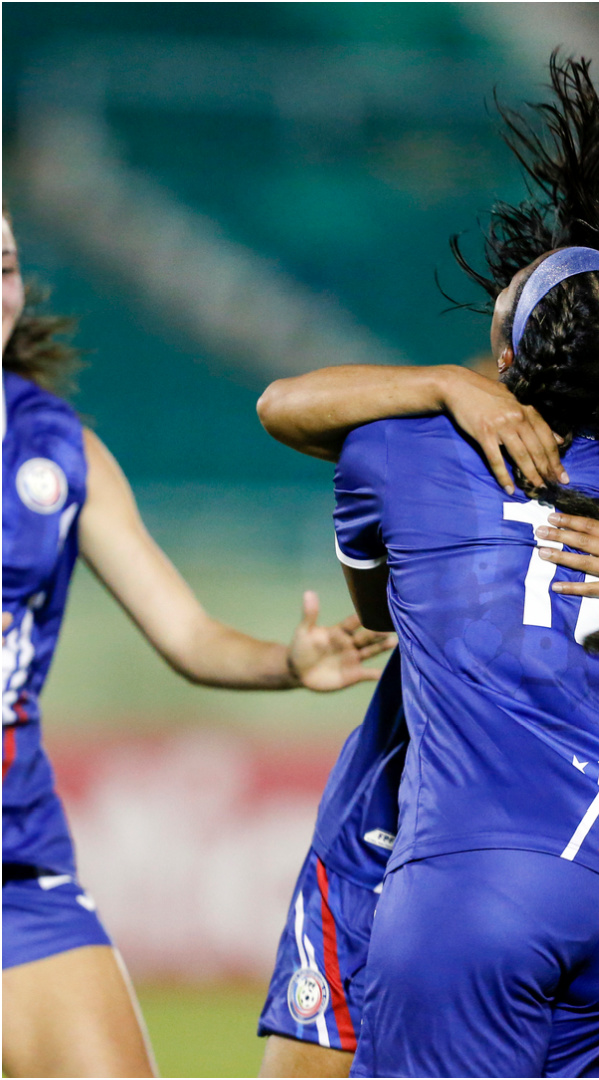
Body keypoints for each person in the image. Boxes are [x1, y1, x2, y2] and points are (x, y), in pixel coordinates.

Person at [320, 57, 599, 1078]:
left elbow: (286, 411)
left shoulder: (400, 451)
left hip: (474, 889)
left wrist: (435, 389)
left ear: (505, 360)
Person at [252, 299, 599, 1079]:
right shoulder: (519, 447)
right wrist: (447, 385)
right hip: (390, 832)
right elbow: (289, 405)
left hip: (573, 856)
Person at [0, 215, 391, 1079]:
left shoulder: (59, 450)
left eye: (6, 267)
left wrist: (285, 664)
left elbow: (183, 632)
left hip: (19, 878)